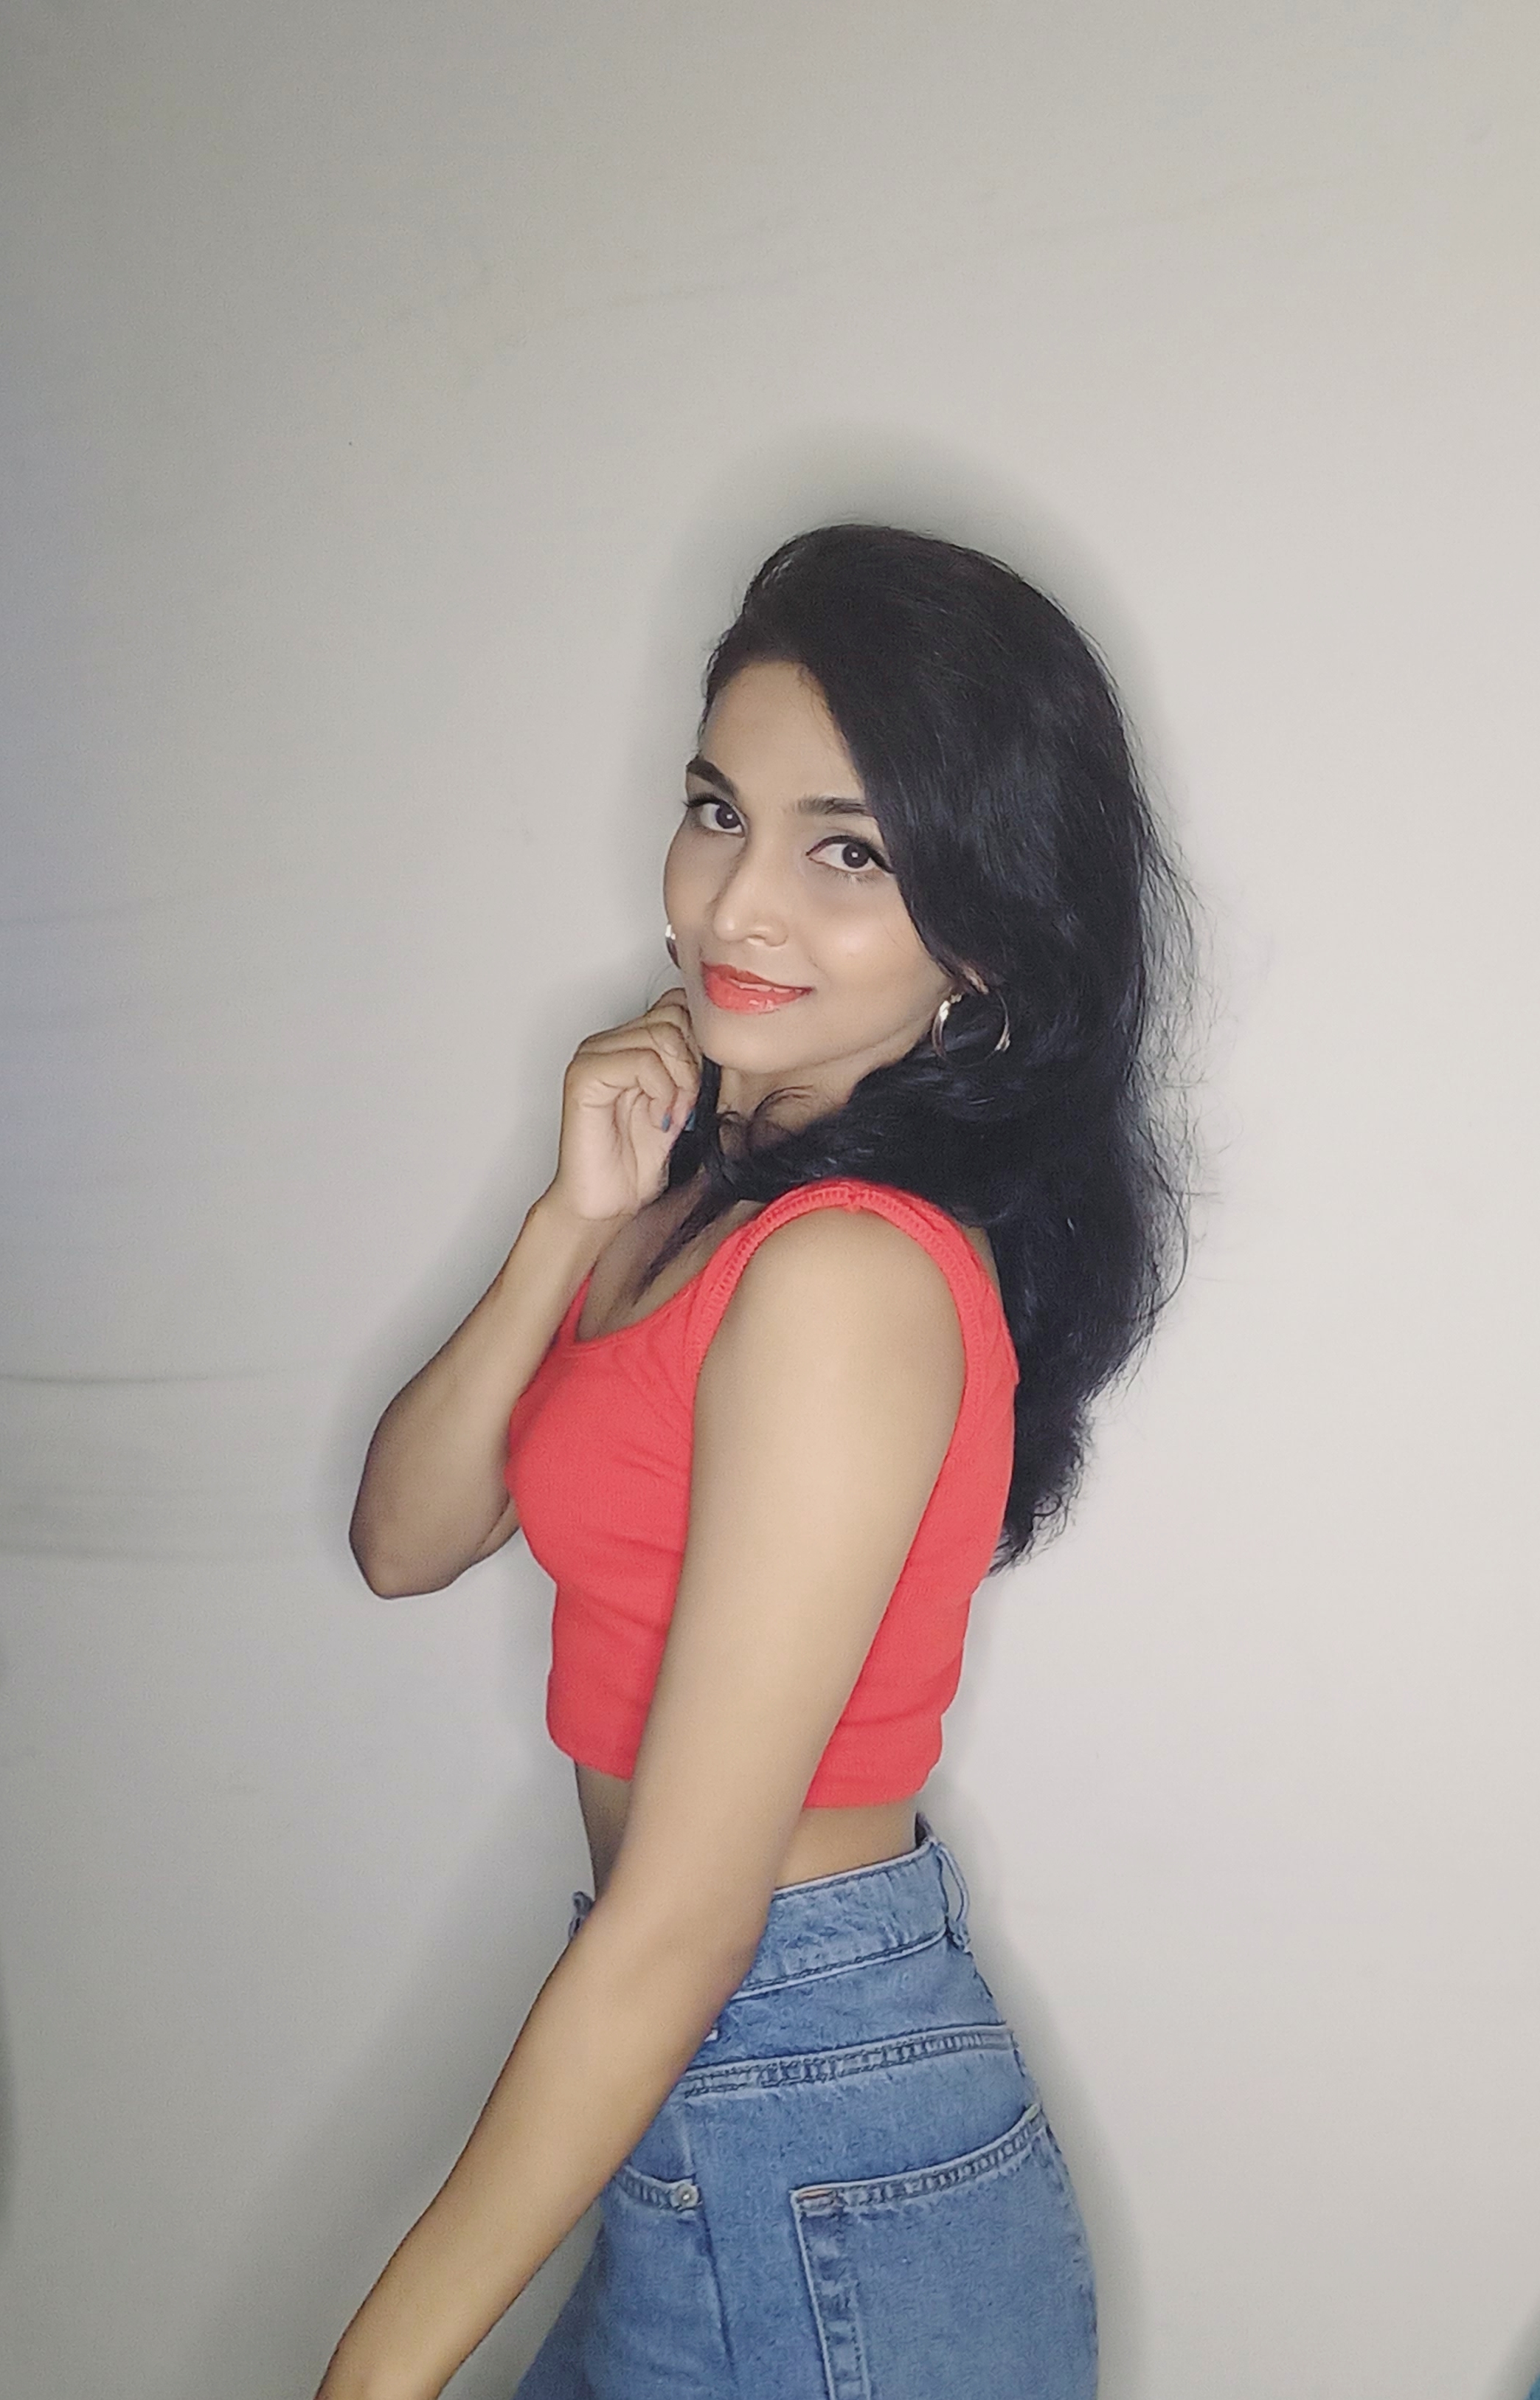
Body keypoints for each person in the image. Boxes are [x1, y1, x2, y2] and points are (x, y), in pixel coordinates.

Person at [317, 523, 1191, 2400]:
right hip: (711, 2079)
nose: (739, 905)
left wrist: (368, 2377)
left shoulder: (848, 1277)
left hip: (807, 2118)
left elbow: (690, 1918)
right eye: (719, 810)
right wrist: (571, 1219)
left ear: (983, 936)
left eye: (846, 851)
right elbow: (405, 1536)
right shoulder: (701, 1193)